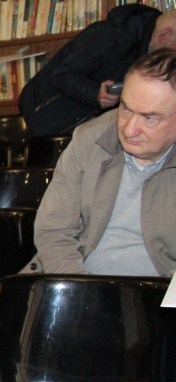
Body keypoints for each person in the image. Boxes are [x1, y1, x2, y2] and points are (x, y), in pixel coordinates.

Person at [30, 49, 176, 278]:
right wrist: (80, 292)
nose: (129, 129)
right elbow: (54, 232)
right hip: (78, 280)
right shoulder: (90, 139)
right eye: (125, 109)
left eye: (149, 118)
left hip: (160, 292)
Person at [19, 5, 176, 136]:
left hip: (86, 126)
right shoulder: (110, 34)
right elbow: (61, 75)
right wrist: (95, 93)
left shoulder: (145, 45)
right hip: (47, 117)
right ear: (165, 34)